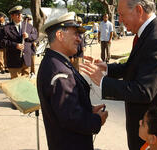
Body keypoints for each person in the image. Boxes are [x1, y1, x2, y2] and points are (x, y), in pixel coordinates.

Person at [80, 0, 157, 150]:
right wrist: (106, 67)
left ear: (138, 10)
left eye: (121, 14)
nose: (120, 20)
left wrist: (102, 82)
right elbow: (134, 66)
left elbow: (144, 90)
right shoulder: (151, 33)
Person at [37, 12, 108, 150]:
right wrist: (97, 120)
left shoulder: (57, 61)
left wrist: (89, 109)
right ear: (60, 35)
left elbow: (65, 107)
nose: (79, 39)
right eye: (75, 34)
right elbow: (70, 117)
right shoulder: (59, 70)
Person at [2, 6, 37, 79]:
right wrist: (15, 45)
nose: (20, 16)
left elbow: (35, 36)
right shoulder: (6, 28)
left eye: (20, 14)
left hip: (26, 59)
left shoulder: (28, 26)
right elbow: (2, 42)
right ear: (12, 16)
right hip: (14, 60)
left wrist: (28, 36)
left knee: (26, 82)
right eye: (17, 14)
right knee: (16, 83)